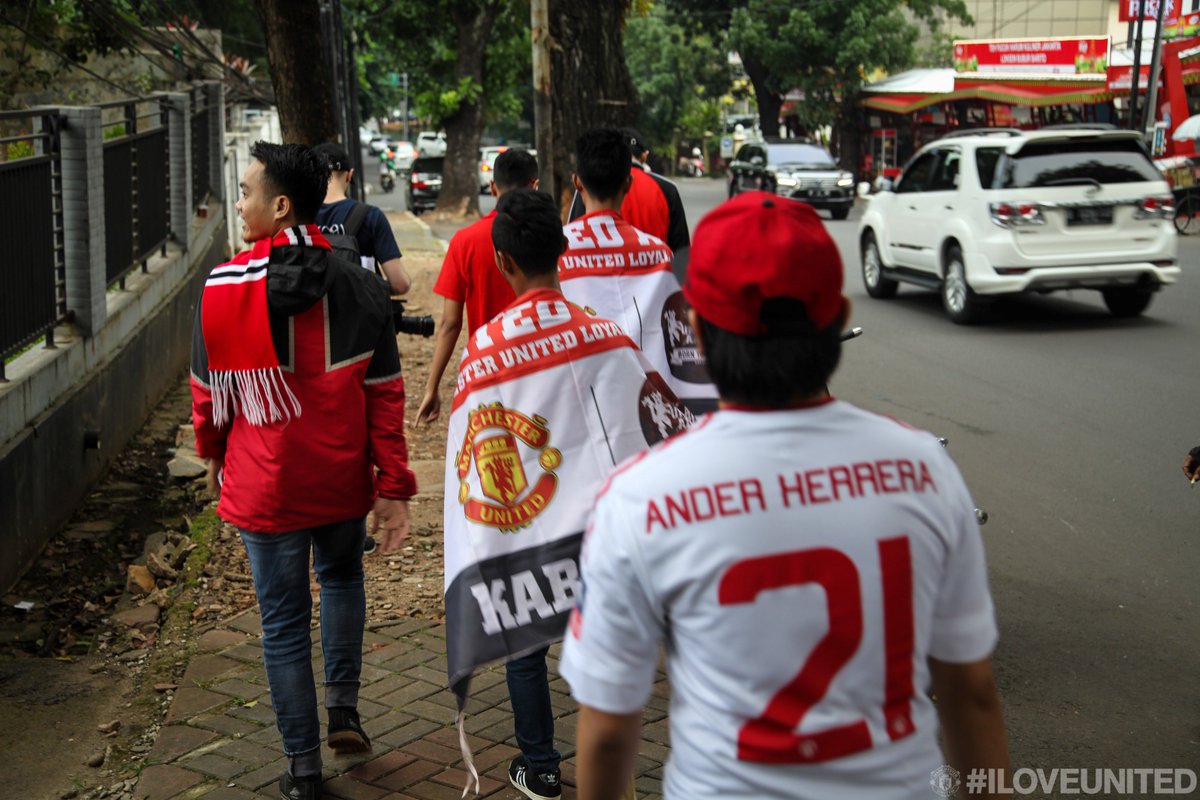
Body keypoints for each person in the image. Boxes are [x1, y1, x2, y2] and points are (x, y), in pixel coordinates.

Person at [560, 192, 1010, 799]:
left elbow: (609, 730)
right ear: (839, 316)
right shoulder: (924, 467)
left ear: (694, 327)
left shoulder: (639, 499)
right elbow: (971, 693)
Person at [440, 188, 693, 800]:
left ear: (502, 262)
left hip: (531, 536)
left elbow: (471, 463)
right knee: (609, 650)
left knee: (525, 647)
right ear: (562, 249)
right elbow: (657, 420)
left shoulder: (483, 354)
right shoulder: (606, 336)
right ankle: (620, 775)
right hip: (605, 537)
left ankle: (541, 765)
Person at [190, 141, 417, 800]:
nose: (238, 203)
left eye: (246, 191)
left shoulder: (224, 285)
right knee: (342, 575)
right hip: (341, 480)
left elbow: (209, 398)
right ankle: (343, 710)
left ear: (280, 203)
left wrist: (212, 459)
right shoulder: (361, 282)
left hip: (264, 485)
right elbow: (384, 394)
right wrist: (393, 487)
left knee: (283, 624)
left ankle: (302, 773)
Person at [559, 127, 717, 415]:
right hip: (650, 396)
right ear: (628, 183)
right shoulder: (660, 254)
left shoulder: (557, 253)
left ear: (577, 182)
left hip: (584, 392)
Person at [414, 149, 537, 426]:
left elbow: (449, 323)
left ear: (493, 187)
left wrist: (431, 387)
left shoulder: (465, 241)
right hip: (540, 365)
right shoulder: (548, 237)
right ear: (535, 185)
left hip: (488, 369)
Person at [568, 126, 689, 254]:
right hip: (654, 269)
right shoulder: (667, 189)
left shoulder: (590, 184)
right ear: (644, 157)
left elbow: (574, 235)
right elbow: (681, 255)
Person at [312, 142, 411, 295]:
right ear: (349, 175)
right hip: (358, 316)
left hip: (313, 316)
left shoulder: (296, 217)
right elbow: (399, 284)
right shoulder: (371, 216)